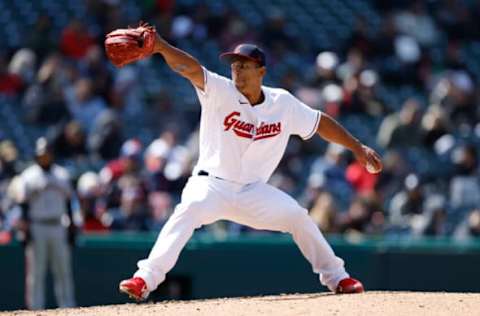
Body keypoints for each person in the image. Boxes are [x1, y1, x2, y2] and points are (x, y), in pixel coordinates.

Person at [118, 34, 383, 300]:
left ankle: (338, 278)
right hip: (211, 185)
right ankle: (145, 279)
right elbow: (189, 68)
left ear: (262, 71)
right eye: (234, 66)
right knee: (189, 210)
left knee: (297, 216)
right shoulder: (220, 91)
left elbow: (321, 123)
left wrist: (357, 148)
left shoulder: (282, 103)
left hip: (253, 192)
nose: (237, 71)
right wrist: (162, 47)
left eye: (244, 66)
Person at [16, 137, 76, 309]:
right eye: (42, 154)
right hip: (37, 226)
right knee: (36, 272)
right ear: (36, 155)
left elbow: (69, 203)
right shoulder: (28, 176)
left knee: (63, 270)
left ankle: (68, 307)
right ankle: (35, 309)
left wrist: (72, 227)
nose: (45, 157)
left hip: (58, 225)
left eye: (47, 154)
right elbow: (23, 205)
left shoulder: (62, 174)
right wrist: (24, 230)